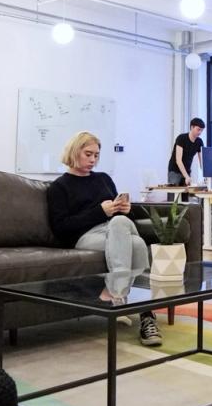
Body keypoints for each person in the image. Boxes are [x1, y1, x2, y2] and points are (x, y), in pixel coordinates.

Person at [47, 132, 161, 347]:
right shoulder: (59, 187)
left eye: (96, 155)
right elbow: (61, 228)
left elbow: (122, 220)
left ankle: (126, 304)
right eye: (88, 154)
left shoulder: (103, 179)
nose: (93, 160)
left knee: (127, 232)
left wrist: (126, 210)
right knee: (132, 239)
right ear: (74, 152)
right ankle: (142, 312)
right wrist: (100, 212)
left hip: (115, 229)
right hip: (84, 237)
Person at [168, 118, 205, 186]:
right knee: (174, 194)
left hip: (187, 171)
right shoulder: (181, 138)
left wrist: (207, 177)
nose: (200, 132)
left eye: (202, 130)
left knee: (185, 195)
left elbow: (202, 162)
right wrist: (186, 176)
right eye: (198, 129)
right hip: (175, 170)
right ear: (192, 127)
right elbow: (178, 160)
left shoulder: (199, 142)